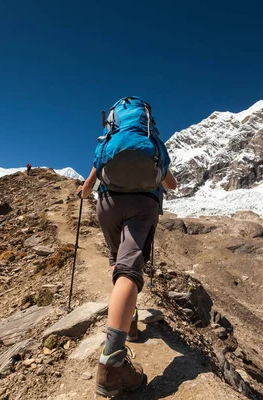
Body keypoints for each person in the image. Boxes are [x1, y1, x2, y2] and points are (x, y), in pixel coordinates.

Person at [77, 165, 177, 397]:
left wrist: (84, 191)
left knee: (118, 260)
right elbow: (171, 184)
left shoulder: (111, 135)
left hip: (108, 204)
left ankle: (128, 319)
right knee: (130, 269)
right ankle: (111, 365)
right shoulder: (151, 138)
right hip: (143, 205)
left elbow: (90, 183)